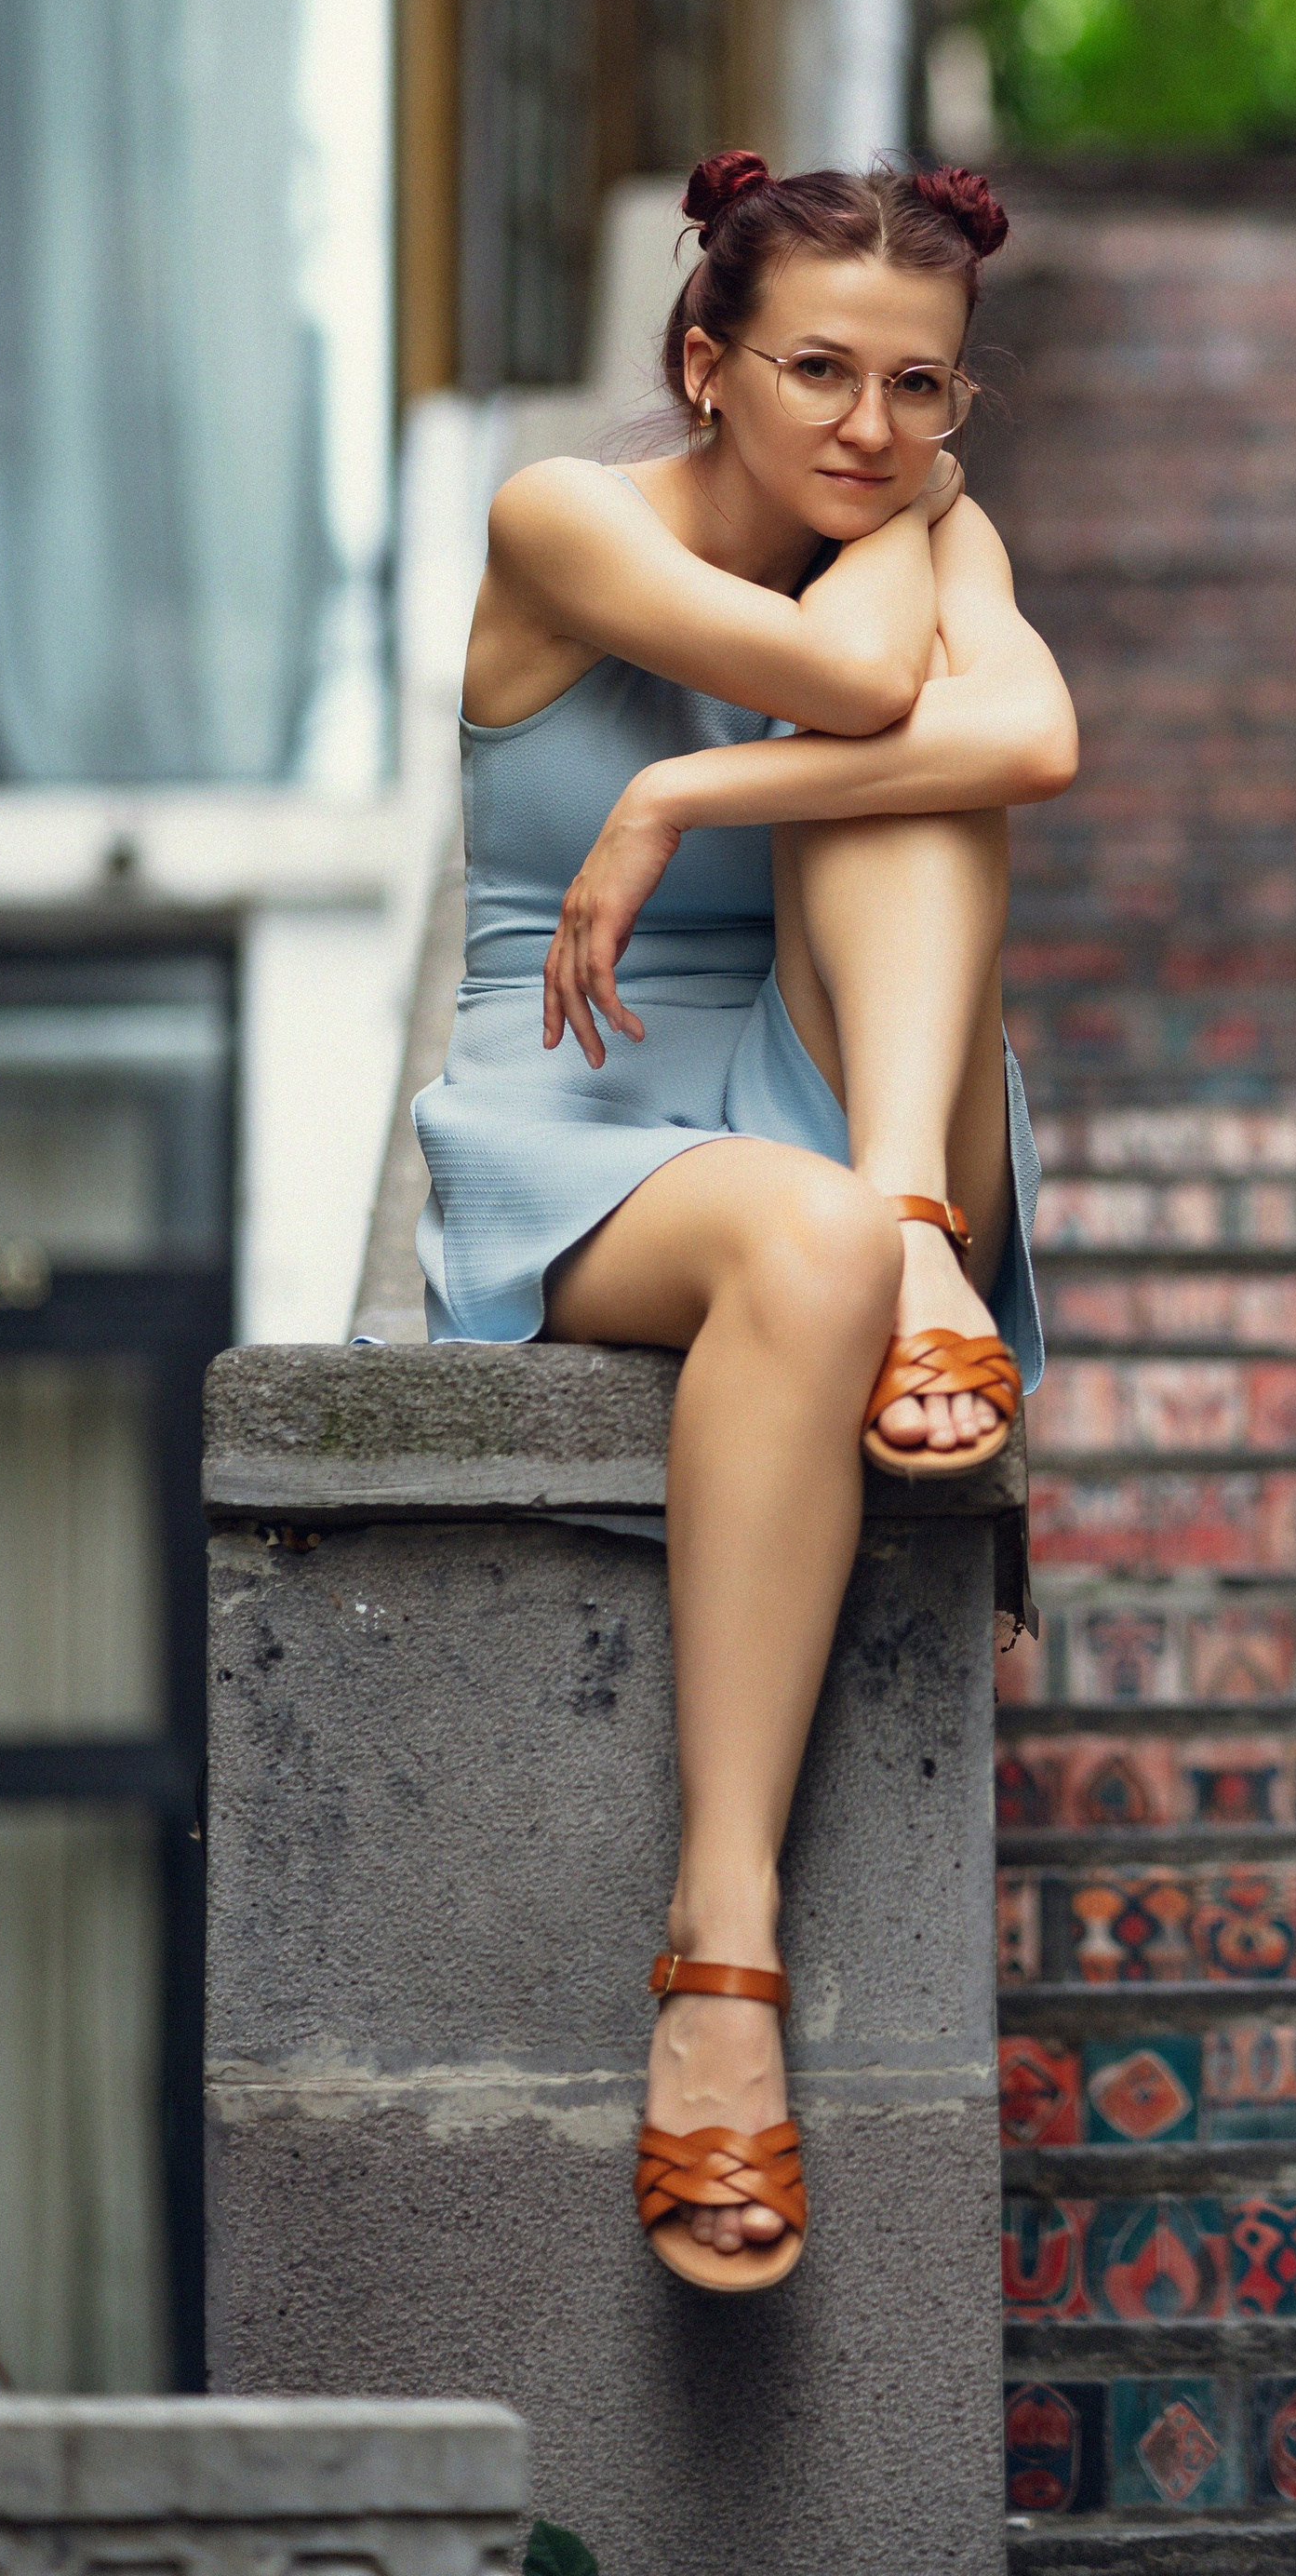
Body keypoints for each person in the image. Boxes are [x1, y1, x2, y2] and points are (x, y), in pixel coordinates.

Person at [411, 151, 1077, 2292]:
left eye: (919, 388)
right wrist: (902, 554)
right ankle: (722, 1950)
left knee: (927, 815)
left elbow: (1030, 735)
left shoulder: (919, 525)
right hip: (585, 1101)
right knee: (804, 1225)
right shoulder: (564, 518)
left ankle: (910, 1227)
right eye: (816, 372)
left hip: (847, 1081)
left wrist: (680, 788)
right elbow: (859, 690)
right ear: (704, 362)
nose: (871, 428)